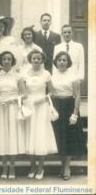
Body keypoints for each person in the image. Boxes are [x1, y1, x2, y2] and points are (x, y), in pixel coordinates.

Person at [0, 46, 26, 180]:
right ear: (0, 61)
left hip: (13, 108)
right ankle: (4, 167)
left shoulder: (18, 76)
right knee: (3, 137)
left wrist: (13, 99)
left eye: (9, 59)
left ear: (13, 61)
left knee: (12, 137)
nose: (6, 61)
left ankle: (12, 167)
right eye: (4, 59)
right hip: (0, 108)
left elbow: (24, 94)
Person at [23, 49, 57, 180]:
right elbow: (23, 91)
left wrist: (43, 99)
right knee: (30, 135)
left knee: (41, 136)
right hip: (30, 106)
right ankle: (32, 166)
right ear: (30, 60)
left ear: (42, 60)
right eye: (33, 58)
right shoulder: (25, 74)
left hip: (42, 106)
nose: (36, 60)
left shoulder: (46, 74)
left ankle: (41, 167)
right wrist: (26, 101)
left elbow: (52, 92)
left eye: (38, 58)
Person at [51, 51, 86, 180]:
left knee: (69, 137)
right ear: (56, 62)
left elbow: (77, 95)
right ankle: (62, 164)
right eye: (59, 60)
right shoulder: (52, 77)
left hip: (69, 106)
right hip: (56, 107)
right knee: (59, 137)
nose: (61, 62)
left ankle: (67, 167)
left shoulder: (73, 76)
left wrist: (75, 114)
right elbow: (50, 94)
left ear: (68, 62)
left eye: (64, 60)